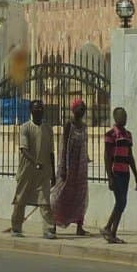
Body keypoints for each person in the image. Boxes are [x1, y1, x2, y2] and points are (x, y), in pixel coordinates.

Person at [5, 99, 55, 237]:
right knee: (20, 199)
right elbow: (24, 150)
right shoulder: (25, 128)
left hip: (43, 171)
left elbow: (51, 152)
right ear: (31, 111)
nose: (39, 111)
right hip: (27, 171)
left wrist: (53, 174)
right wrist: (35, 162)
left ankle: (49, 229)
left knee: (44, 201)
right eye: (36, 109)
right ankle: (16, 227)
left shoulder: (48, 129)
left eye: (41, 109)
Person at [101, 105, 137, 243]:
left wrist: (136, 176)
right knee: (121, 202)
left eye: (125, 116)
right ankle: (110, 231)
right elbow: (107, 157)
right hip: (116, 173)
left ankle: (109, 230)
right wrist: (109, 177)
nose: (123, 118)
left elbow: (130, 156)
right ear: (115, 117)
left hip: (125, 173)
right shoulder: (111, 134)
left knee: (122, 203)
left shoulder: (128, 135)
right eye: (121, 116)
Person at [51, 97, 91, 235]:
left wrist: (87, 158)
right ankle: (53, 224)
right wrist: (63, 167)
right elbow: (64, 146)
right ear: (74, 110)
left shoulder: (84, 126)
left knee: (79, 196)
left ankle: (80, 226)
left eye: (83, 109)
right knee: (60, 195)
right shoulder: (69, 125)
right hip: (69, 165)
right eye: (80, 108)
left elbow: (85, 144)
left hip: (80, 167)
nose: (82, 111)